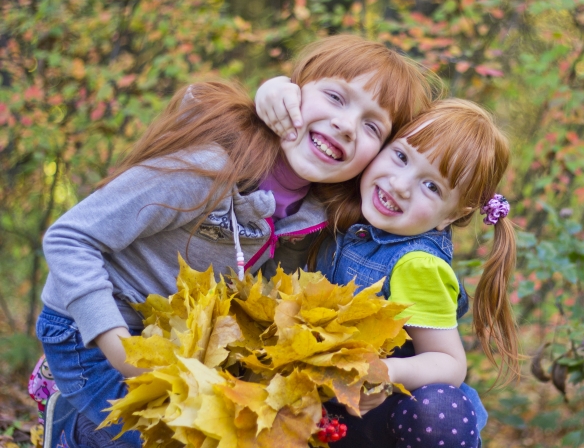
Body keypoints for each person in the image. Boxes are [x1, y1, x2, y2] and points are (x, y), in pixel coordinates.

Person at [34, 34, 437, 448]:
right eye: (336, 97)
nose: (346, 124)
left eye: (372, 125)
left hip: (178, 343)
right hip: (91, 334)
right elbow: (70, 238)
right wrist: (119, 348)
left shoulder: (315, 212)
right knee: (162, 440)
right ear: (291, 95)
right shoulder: (211, 167)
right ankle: (71, 430)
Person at [305, 99, 520, 448]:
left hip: (381, 419)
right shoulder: (349, 206)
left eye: (432, 186)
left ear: (453, 214)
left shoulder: (416, 263)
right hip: (321, 400)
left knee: (440, 408)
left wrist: (389, 373)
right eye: (401, 157)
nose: (400, 185)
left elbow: (449, 362)